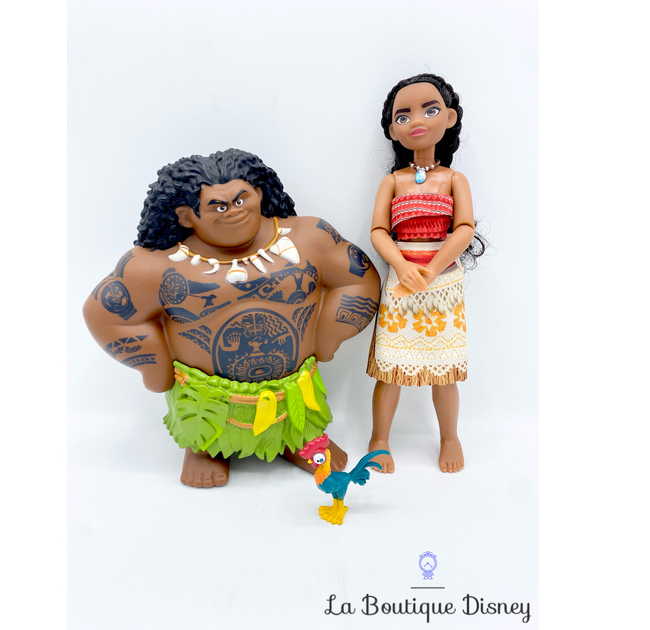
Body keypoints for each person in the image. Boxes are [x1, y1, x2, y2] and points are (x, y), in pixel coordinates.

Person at [84, 148, 382, 488]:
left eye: (241, 199)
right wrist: (156, 370)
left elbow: (359, 279)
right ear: (186, 216)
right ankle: (206, 451)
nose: (235, 211)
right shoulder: (155, 265)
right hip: (206, 399)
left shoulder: (310, 237)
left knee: (300, 420)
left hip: (295, 387)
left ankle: (300, 440)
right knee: (207, 430)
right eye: (219, 206)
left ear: (260, 192)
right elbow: (104, 315)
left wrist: (326, 338)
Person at [366, 74, 486, 473]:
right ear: (392, 130)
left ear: (449, 118)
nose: (416, 120)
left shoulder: (453, 180)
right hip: (400, 284)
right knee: (390, 369)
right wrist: (402, 266)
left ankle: (450, 437)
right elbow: (379, 231)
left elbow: (464, 229)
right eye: (403, 116)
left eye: (430, 110)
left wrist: (432, 269)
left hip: (443, 283)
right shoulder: (392, 181)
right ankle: (379, 439)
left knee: (444, 370)